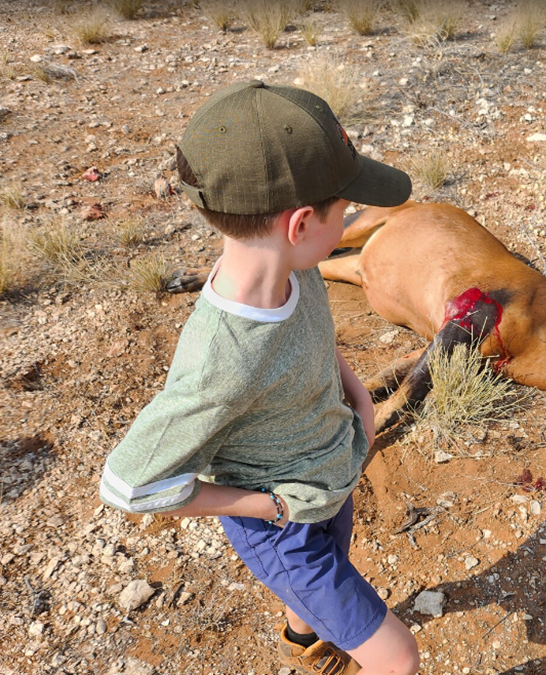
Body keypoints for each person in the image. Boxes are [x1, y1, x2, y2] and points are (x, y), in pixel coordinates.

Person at [99, 80, 419, 675]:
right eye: (346, 208)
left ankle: (305, 641)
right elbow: (127, 486)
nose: (351, 216)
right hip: (282, 527)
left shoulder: (291, 269)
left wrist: (358, 401)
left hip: (328, 474)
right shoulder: (224, 359)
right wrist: (266, 507)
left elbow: (312, 339)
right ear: (299, 224)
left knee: (332, 559)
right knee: (398, 658)